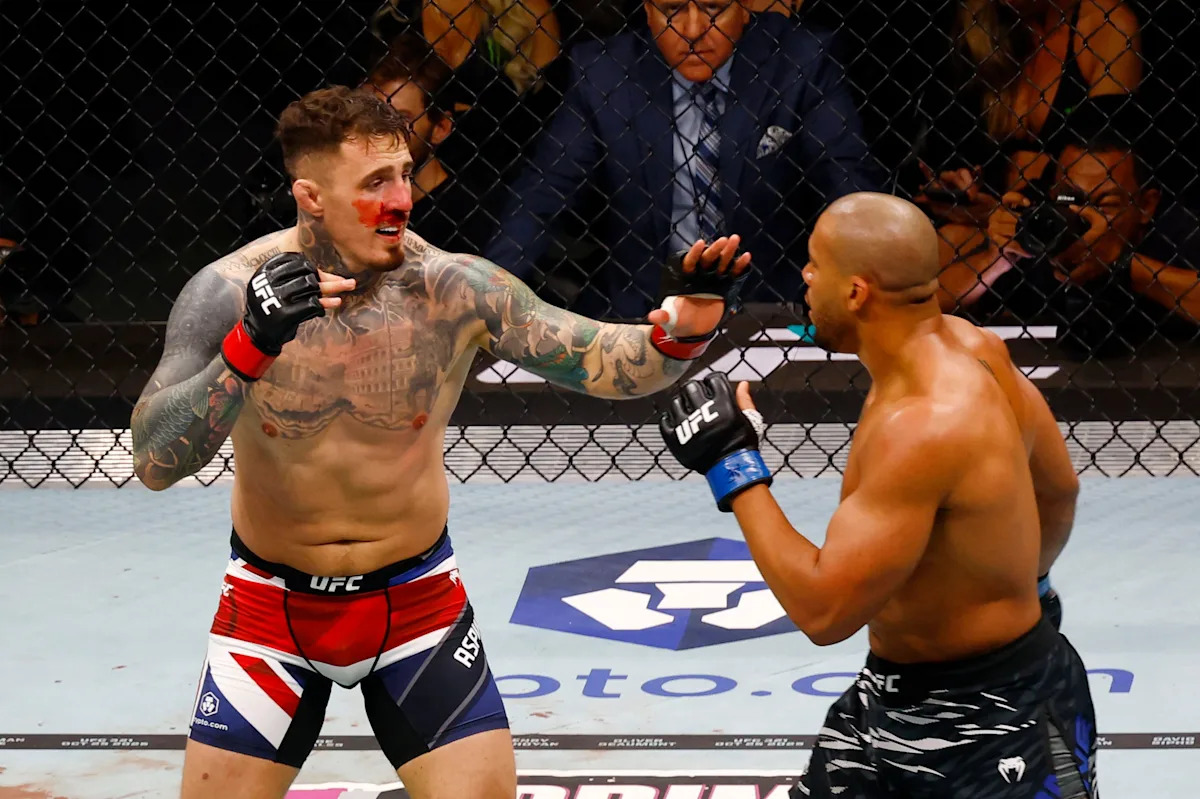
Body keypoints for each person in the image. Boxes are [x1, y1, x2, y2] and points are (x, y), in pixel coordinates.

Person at [130, 86, 749, 799]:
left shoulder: (453, 290)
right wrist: (249, 347)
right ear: (310, 196)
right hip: (270, 608)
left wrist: (687, 328)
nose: (401, 200)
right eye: (374, 182)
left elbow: (613, 363)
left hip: (416, 603)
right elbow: (153, 460)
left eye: (403, 174)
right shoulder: (226, 293)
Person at [659, 192, 1093, 798]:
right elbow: (1058, 489)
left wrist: (731, 466)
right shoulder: (974, 348)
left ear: (857, 292)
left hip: (992, 719)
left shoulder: (920, 426)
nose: (805, 277)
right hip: (894, 693)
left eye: (816, 266)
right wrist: (1026, 583)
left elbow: (825, 612)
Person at [484, 0, 877, 318]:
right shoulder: (604, 73)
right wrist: (484, 301)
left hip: (769, 305)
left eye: (713, 8)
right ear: (647, 10)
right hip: (640, 308)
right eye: (672, 10)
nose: (692, 30)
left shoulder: (800, 61)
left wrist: (876, 294)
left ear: (744, 8)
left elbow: (849, 185)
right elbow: (542, 196)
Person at [985, 127, 1200, 348]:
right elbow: (958, 301)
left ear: (1146, 205)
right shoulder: (1043, 226)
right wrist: (995, 259)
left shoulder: (1178, 230)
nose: (1085, 215)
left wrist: (1120, 262)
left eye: (1105, 204)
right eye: (1070, 198)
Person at [366, 33, 501, 255]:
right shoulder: (354, 196)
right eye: (375, 113)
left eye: (402, 119)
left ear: (440, 128)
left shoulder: (466, 218)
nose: (382, 129)